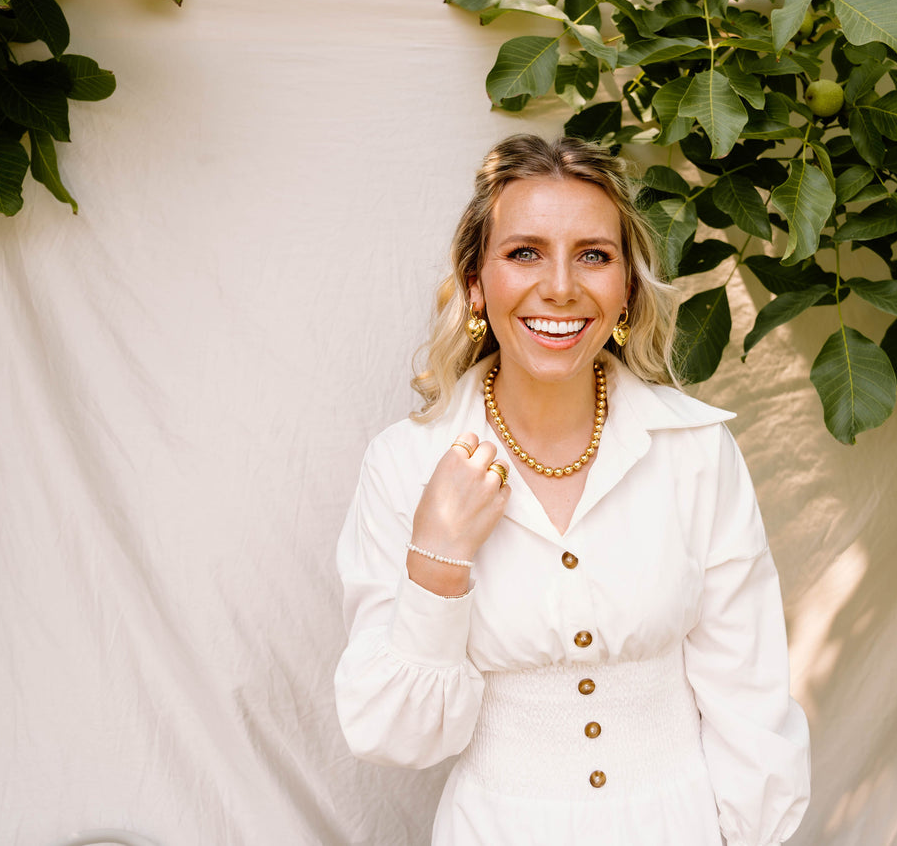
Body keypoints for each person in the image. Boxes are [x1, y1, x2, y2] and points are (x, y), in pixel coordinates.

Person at [334, 134, 810, 845]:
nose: (560, 285)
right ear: (475, 283)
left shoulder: (695, 450)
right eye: (524, 251)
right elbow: (395, 734)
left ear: (625, 289)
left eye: (593, 253)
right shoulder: (404, 463)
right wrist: (436, 561)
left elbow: (749, 697)